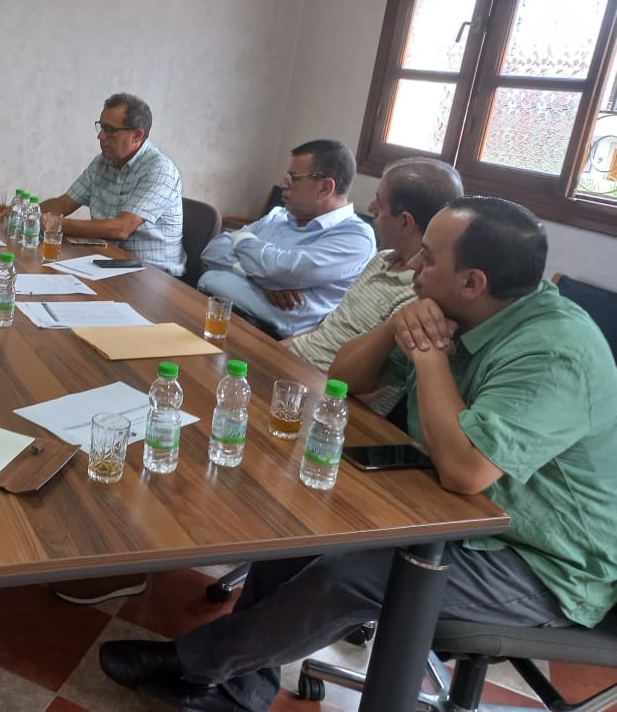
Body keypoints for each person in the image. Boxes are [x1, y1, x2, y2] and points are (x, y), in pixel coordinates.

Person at [98, 196, 617, 712]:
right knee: (300, 528)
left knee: (348, 575)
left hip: (544, 563)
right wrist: (396, 324)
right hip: (455, 511)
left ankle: (194, 662)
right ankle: (241, 690)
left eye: (428, 257)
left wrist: (429, 356)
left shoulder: (554, 352)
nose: (412, 265)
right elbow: (345, 378)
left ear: (472, 282)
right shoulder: (461, 309)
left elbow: (465, 471)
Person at [286, 157, 463, 416]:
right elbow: (327, 327)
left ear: (405, 222)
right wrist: (275, 349)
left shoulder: (421, 294)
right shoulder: (383, 258)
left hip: (323, 396)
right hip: (294, 366)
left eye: (379, 202)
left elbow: (379, 394)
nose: (370, 207)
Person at [198, 139, 375, 339]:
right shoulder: (279, 216)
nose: (283, 183)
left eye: (293, 177)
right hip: (212, 310)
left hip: (266, 337)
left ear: (325, 188)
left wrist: (241, 237)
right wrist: (259, 277)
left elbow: (283, 270)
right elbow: (213, 250)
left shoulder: (356, 238)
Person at [40, 93, 185, 276]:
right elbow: (63, 204)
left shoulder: (159, 169)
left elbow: (121, 228)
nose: (100, 136)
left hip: (153, 274)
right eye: (101, 127)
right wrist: (26, 213)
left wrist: (55, 224)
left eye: (109, 130)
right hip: (106, 261)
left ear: (137, 135)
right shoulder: (102, 163)